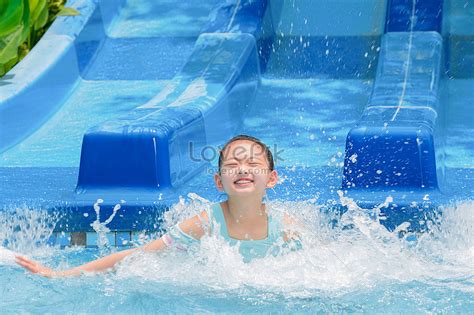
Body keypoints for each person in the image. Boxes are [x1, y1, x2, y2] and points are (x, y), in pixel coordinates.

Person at [15, 135, 302, 277]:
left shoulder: (286, 227)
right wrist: (61, 274)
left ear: (272, 178)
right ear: (218, 181)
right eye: (232, 165)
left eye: (253, 163)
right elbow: (139, 255)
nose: (242, 169)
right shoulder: (205, 223)